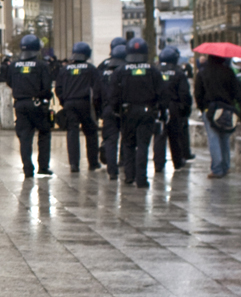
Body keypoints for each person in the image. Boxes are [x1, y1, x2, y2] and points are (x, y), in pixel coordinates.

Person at [110, 37, 167, 189]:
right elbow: (162, 93)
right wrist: (161, 111)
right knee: (143, 145)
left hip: (127, 112)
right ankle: (141, 179)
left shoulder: (120, 71)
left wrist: (116, 111)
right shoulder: (153, 71)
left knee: (128, 144)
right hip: (147, 112)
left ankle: (129, 176)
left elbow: (114, 94)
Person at [7, 34, 54, 178]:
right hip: (37, 104)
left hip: (20, 104)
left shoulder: (14, 65)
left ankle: (27, 169)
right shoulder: (41, 65)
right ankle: (43, 166)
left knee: (25, 138)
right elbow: (47, 87)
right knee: (44, 133)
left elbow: (9, 82)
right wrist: (46, 96)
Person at [55, 42, 100, 173]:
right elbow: (97, 88)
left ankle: (74, 164)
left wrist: (64, 101)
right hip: (85, 103)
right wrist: (96, 105)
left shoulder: (64, 70)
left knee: (72, 133)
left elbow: (58, 88)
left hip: (69, 103)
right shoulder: (90, 68)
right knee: (91, 132)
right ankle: (93, 162)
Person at [195, 54, 239, 178]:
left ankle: (217, 168)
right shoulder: (228, 72)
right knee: (225, 137)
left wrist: (202, 107)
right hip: (227, 108)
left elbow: (198, 92)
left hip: (210, 108)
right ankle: (225, 166)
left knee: (213, 137)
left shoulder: (203, 72)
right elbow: (236, 91)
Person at [154, 47, 191, 173]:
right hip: (174, 107)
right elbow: (184, 93)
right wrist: (185, 109)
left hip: (158, 106)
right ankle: (177, 161)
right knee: (175, 136)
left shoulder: (156, 71)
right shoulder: (178, 72)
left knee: (159, 135)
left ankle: (158, 163)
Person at [97, 42, 127, 179]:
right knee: (126, 138)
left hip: (107, 108)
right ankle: (125, 164)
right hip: (124, 108)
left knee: (110, 140)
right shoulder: (126, 70)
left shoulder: (103, 69)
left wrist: (99, 111)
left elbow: (96, 93)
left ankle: (112, 170)